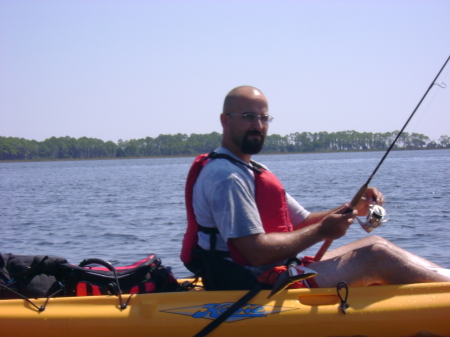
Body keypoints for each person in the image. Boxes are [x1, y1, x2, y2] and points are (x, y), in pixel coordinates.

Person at [180, 85, 450, 291]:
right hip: (253, 283)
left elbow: (303, 221)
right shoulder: (227, 177)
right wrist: (322, 231)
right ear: (225, 120)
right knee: (377, 256)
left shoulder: (251, 170)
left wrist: (352, 209)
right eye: (249, 116)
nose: (258, 125)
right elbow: (254, 251)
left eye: (264, 118)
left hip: (276, 270)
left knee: (374, 242)